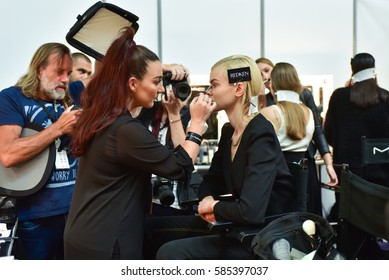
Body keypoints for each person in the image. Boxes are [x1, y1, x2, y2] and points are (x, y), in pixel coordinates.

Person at [63, 26, 214, 260]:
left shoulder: (104, 117)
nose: (161, 89)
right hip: (107, 242)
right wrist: (196, 124)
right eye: (156, 81)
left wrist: (174, 115)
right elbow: (179, 167)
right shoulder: (125, 130)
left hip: (86, 233)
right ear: (132, 83)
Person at [144, 54, 296, 260]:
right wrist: (207, 198)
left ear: (239, 89)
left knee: (169, 252)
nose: (209, 92)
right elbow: (211, 182)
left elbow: (251, 211)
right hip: (236, 225)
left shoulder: (260, 133)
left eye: (214, 85)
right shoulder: (228, 131)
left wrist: (214, 206)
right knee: (150, 228)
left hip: (260, 236)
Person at [0, 43, 80, 259]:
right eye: (59, 72)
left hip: (78, 215)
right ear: (39, 69)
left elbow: (113, 80)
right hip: (35, 219)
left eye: (69, 73)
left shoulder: (73, 94)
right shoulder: (12, 98)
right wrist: (58, 128)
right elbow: (8, 155)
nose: (65, 79)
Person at [255, 57, 338, 216]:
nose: (265, 78)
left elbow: (318, 132)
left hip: (286, 168)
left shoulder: (270, 111)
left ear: (275, 79)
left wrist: (328, 162)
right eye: (260, 74)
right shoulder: (305, 112)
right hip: (298, 167)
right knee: (304, 214)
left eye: (267, 72)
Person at [324, 52, 389, 221]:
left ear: (352, 70)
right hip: (381, 173)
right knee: (378, 222)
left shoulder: (339, 97)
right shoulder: (386, 97)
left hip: (348, 173)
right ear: (374, 71)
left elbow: (329, 135)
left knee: (349, 220)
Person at [259, 62, 315, 164]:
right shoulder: (309, 112)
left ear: (273, 84)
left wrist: (259, 102)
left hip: (278, 173)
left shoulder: (269, 112)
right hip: (303, 174)